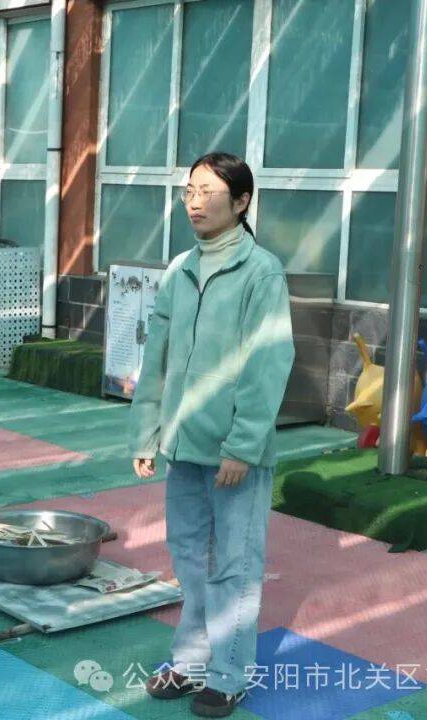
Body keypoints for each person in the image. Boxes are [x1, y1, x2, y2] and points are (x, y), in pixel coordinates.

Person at [128, 152, 294, 718]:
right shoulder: (180, 269)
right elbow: (157, 358)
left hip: (233, 452)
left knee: (234, 565)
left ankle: (230, 673)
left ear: (241, 202)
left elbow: (268, 363)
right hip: (184, 445)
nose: (194, 203)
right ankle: (192, 661)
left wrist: (243, 446)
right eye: (189, 192)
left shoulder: (261, 271)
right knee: (190, 559)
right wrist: (146, 434)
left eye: (208, 193)